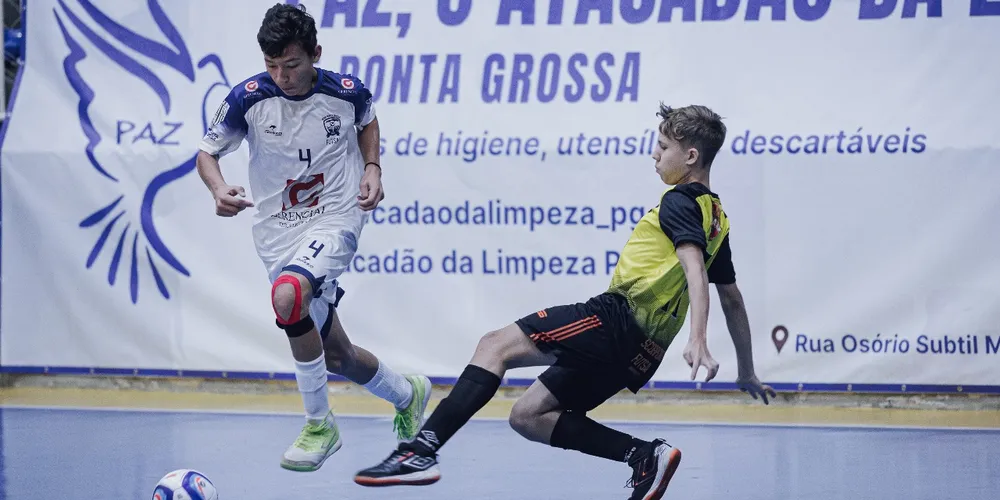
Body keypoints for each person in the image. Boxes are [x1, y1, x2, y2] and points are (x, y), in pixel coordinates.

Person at [353, 104, 776, 499]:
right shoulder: (716, 217)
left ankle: (422, 450)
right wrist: (747, 370)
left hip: (615, 319)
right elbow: (732, 299)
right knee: (528, 416)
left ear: (690, 156)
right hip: (643, 353)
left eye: (663, 147)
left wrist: (698, 339)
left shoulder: (680, 202)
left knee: (493, 345)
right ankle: (644, 456)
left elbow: (694, 272)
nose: (654, 155)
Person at [195, 3, 431, 472]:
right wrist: (218, 189)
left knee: (288, 296)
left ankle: (319, 425)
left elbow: (367, 118)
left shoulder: (344, 91)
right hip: (278, 234)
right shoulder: (247, 98)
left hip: (336, 215)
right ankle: (408, 394)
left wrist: (372, 167)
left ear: (315, 54)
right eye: (272, 65)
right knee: (338, 355)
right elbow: (206, 153)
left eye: (292, 65)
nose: (281, 76)